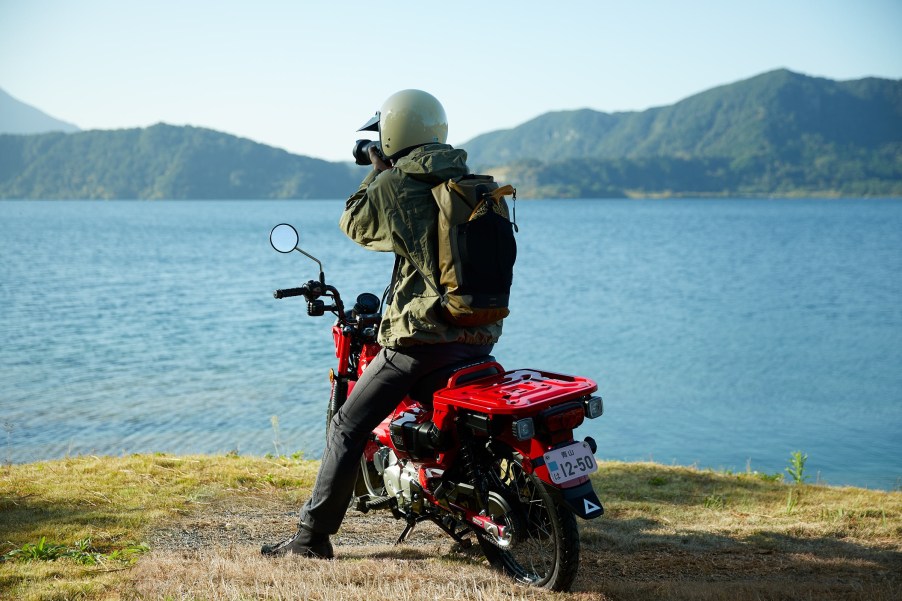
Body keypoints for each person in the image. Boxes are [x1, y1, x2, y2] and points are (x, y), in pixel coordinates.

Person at [261, 89, 503, 558]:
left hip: (422, 339)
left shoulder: (398, 185)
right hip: (478, 333)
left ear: (392, 133)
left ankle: (311, 540)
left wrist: (376, 169)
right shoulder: (468, 182)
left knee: (347, 427)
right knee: (457, 427)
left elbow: (353, 222)